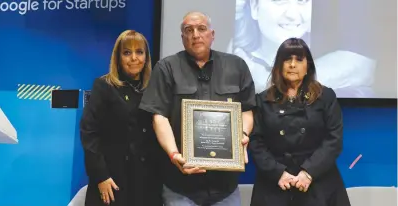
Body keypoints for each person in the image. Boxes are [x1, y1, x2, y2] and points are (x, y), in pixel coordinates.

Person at [139, 11, 256, 206]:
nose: (195, 34)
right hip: (180, 187)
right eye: (189, 30)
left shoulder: (237, 66)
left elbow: (247, 110)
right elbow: (158, 116)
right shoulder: (166, 68)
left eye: (201, 29)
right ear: (182, 37)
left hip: (225, 188)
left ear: (212, 34)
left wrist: (242, 134)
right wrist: (174, 154)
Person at [248, 37, 351, 206]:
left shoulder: (325, 97)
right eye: (287, 59)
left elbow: (334, 139)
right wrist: (278, 173)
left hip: (318, 181)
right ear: (279, 66)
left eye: (299, 59)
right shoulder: (263, 100)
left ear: (307, 66)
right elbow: (256, 142)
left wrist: (308, 172)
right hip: (275, 183)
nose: (292, 65)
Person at [80, 30, 163, 206]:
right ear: (118, 57)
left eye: (139, 52)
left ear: (146, 57)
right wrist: (101, 176)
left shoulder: (155, 88)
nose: (134, 58)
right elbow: (89, 134)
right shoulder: (104, 86)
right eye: (127, 52)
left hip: (146, 182)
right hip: (112, 180)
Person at [227, 0, 376, 97]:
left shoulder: (334, 48)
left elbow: (367, 67)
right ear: (254, 7)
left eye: (302, 1)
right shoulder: (235, 56)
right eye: (279, 2)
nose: (293, 14)